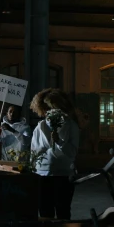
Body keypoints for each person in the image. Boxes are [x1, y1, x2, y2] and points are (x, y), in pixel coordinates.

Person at [30, 88, 80, 220]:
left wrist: (59, 142)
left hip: (63, 175)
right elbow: (34, 153)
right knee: (45, 212)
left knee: (63, 212)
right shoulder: (40, 127)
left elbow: (72, 152)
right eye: (49, 108)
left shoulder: (71, 126)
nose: (52, 111)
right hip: (43, 175)